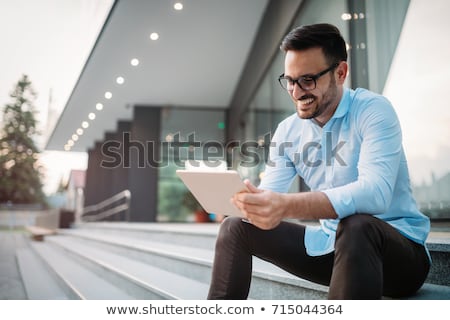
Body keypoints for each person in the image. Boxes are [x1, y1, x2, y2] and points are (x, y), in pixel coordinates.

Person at [207, 23, 431, 300]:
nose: (296, 91)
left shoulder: (373, 110)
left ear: (340, 73)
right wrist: (248, 204)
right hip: (331, 248)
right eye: (289, 80)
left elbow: (375, 194)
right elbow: (271, 197)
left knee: (357, 224)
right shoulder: (288, 131)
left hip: (399, 257)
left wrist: (286, 205)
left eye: (308, 80)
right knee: (235, 227)